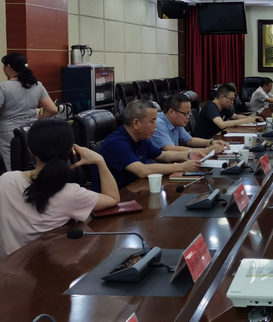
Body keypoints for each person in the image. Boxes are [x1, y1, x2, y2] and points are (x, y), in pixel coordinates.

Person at [0, 119, 120, 257]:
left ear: (30, 150)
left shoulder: (5, 179)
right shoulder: (71, 193)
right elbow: (113, 198)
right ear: (70, 151)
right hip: (47, 267)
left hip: (7, 267)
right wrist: (100, 161)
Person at [91, 100, 205, 191]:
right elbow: (142, 170)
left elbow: (163, 155)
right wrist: (182, 167)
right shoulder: (116, 143)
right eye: (152, 121)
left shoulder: (141, 139)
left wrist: (189, 154)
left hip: (133, 190)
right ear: (136, 123)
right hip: (112, 198)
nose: (155, 125)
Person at [0, 53, 57, 171]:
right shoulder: (37, 85)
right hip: (31, 132)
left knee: (12, 169)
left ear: (8, 67)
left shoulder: (3, 87)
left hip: (8, 134)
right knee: (31, 166)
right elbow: (53, 109)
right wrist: (37, 119)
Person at [151, 94, 228, 154]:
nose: (188, 117)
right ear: (172, 112)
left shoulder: (176, 122)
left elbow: (190, 140)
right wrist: (207, 151)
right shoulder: (158, 123)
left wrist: (211, 142)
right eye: (186, 114)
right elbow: (170, 149)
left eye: (189, 113)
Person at [194, 83, 264, 139]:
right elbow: (222, 124)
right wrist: (246, 120)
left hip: (215, 138)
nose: (232, 102)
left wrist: (252, 118)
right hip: (203, 143)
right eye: (231, 99)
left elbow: (235, 117)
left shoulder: (223, 107)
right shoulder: (211, 107)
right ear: (222, 97)